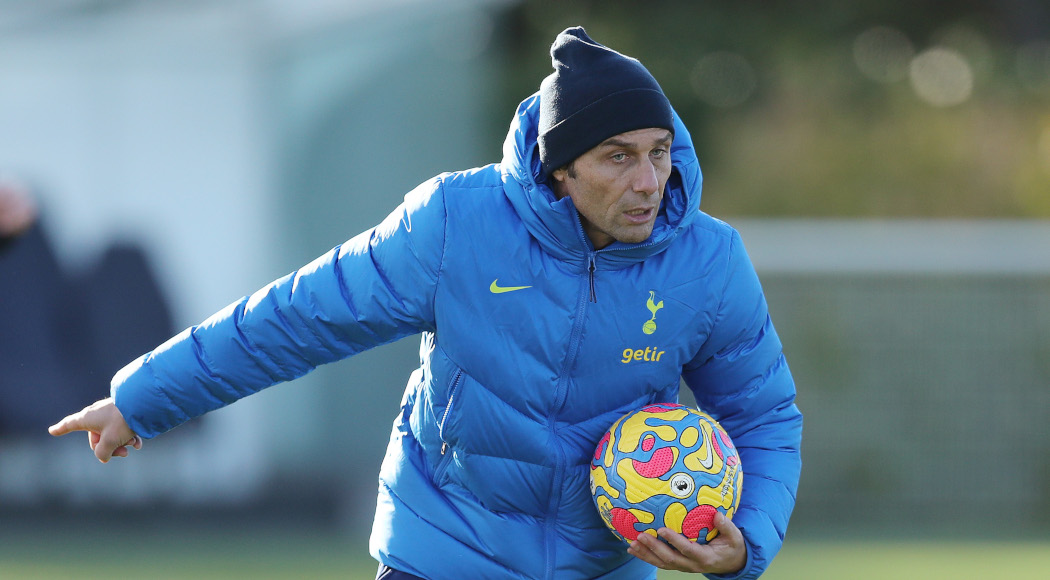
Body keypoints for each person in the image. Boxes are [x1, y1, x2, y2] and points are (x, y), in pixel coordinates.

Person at [49, 27, 802, 579]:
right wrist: (144, 397)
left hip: (603, 569)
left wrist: (748, 542)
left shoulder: (709, 261)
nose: (649, 182)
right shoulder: (454, 224)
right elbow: (299, 317)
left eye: (659, 152)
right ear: (560, 169)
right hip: (443, 552)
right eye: (618, 157)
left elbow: (762, 413)